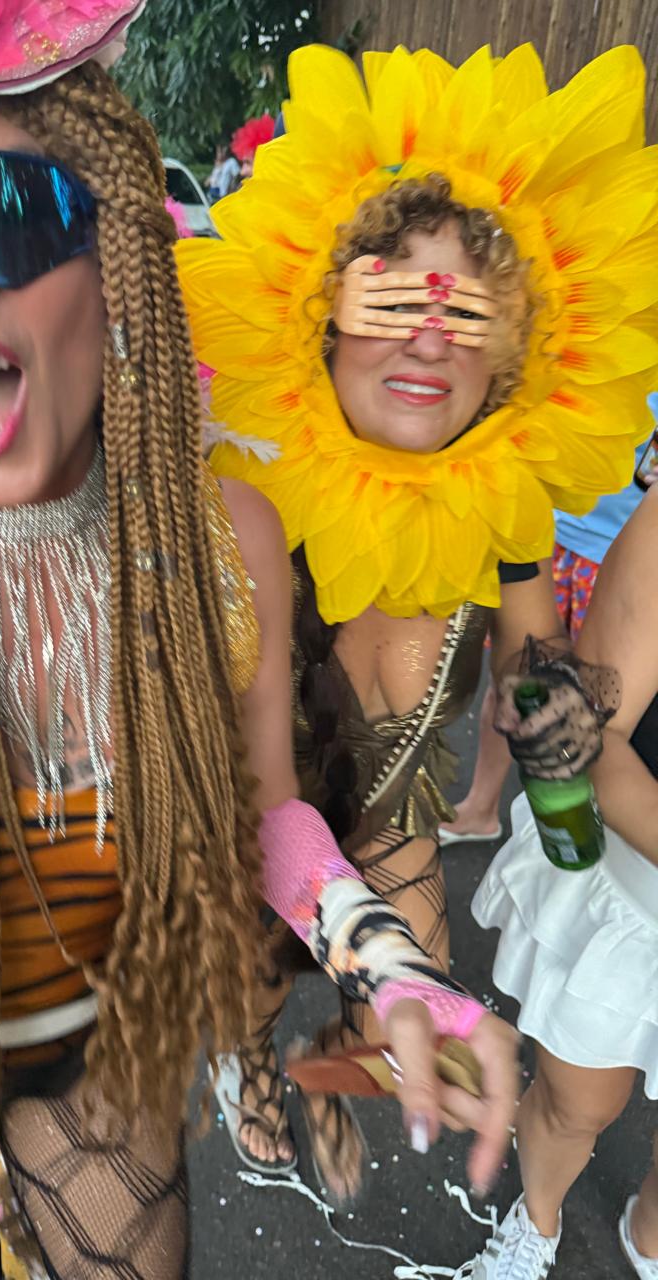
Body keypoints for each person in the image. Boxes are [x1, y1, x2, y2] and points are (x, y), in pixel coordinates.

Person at [0, 4, 516, 1276]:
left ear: (116, 245)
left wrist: (384, 957)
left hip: (100, 1033)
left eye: (11, 209)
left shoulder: (219, 535)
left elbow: (262, 807)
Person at [176, 41, 658, 1196]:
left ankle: (322, 1059)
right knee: (247, 979)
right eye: (391, 295)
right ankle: (249, 1062)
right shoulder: (243, 487)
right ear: (321, 314)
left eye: (472, 308)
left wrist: (562, 729)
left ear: (516, 347)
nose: (431, 337)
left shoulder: (501, 502)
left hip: (394, 810)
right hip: (249, 809)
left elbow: (539, 671)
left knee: (414, 1031)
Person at [466, 487, 658, 1279]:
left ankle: (651, 1231)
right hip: (635, 898)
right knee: (577, 1104)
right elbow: (589, 732)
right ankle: (535, 1222)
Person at [441, 439, 652, 848]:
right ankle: (482, 807)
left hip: (611, 552)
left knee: (579, 708)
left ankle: (565, 817)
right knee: (523, 688)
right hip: (553, 531)